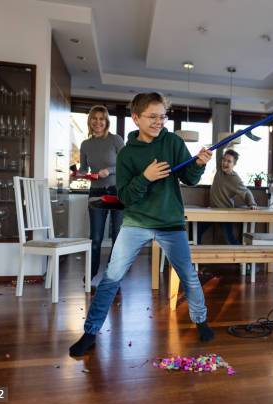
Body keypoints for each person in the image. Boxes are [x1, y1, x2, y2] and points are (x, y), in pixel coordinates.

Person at [69, 92, 214, 357]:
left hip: (171, 221)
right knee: (111, 278)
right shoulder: (126, 155)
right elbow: (125, 196)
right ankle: (90, 332)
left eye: (162, 116)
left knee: (189, 276)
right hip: (136, 222)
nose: (159, 122)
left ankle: (201, 320)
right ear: (136, 118)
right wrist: (146, 177)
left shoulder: (171, 142)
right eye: (153, 117)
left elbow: (190, 178)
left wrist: (200, 164)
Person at [78, 105, 125, 281]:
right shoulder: (85, 144)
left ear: (106, 122)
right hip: (96, 192)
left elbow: (126, 164)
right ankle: (91, 272)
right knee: (95, 237)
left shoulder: (116, 140)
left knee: (117, 237)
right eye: (94, 118)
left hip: (116, 192)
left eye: (101, 119)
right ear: (90, 121)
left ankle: (113, 275)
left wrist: (110, 170)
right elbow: (84, 168)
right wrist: (79, 173)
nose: (98, 122)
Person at [197, 149, 257, 245]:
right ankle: (195, 257)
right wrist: (227, 140)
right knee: (197, 231)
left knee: (229, 238)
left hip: (225, 212)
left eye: (229, 161)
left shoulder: (235, 179)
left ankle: (240, 257)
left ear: (234, 164)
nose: (225, 163)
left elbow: (246, 192)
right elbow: (219, 150)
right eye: (224, 160)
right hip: (212, 210)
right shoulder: (219, 169)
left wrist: (252, 203)